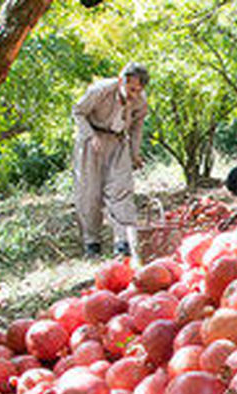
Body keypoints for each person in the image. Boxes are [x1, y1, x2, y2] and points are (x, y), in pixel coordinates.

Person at [72, 62, 149, 257]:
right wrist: (90, 135)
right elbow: (78, 112)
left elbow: (137, 127)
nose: (134, 94)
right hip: (92, 141)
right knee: (89, 193)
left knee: (122, 189)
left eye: (139, 90)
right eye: (131, 89)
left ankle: (124, 241)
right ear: (122, 81)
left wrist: (134, 153)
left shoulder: (140, 100)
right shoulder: (100, 90)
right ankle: (92, 242)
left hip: (118, 142)